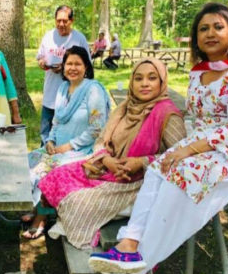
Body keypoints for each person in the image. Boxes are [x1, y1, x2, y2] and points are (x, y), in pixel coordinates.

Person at [88, 3, 228, 274]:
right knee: (157, 168)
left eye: (218, 27)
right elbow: (199, 118)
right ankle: (130, 242)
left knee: (179, 174)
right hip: (204, 143)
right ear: (196, 39)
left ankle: (146, 255)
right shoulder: (198, 73)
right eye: (203, 29)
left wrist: (188, 150)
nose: (210, 33)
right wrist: (182, 146)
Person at [39, 58, 186, 249]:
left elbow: (181, 158)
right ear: (132, 82)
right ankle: (64, 220)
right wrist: (107, 159)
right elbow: (101, 140)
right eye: (138, 78)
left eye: (152, 78)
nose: (144, 84)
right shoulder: (125, 107)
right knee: (57, 175)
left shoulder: (168, 114)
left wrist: (142, 162)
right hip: (108, 169)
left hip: (137, 183)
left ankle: (86, 228)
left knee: (78, 202)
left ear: (162, 82)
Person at [23, 46, 110, 239]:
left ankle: (42, 217)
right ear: (63, 67)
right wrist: (50, 141)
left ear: (86, 67)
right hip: (58, 147)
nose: (73, 68)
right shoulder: (63, 88)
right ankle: (37, 206)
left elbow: (97, 128)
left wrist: (67, 146)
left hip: (83, 150)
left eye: (78, 64)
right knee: (30, 160)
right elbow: (56, 121)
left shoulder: (93, 90)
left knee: (46, 169)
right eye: (69, 64)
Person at [36, 5, 90, 144]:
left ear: (71, 21)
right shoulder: (48, 36)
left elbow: (87, 65)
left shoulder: (79, 39)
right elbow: (40, 57)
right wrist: (42, 63)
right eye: (58, 20)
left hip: (71, 97)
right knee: (45, 135)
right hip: (50, 95)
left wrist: (66, 67)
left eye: (65, 21)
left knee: (66, 135)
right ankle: (44, 155)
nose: (61, 24)